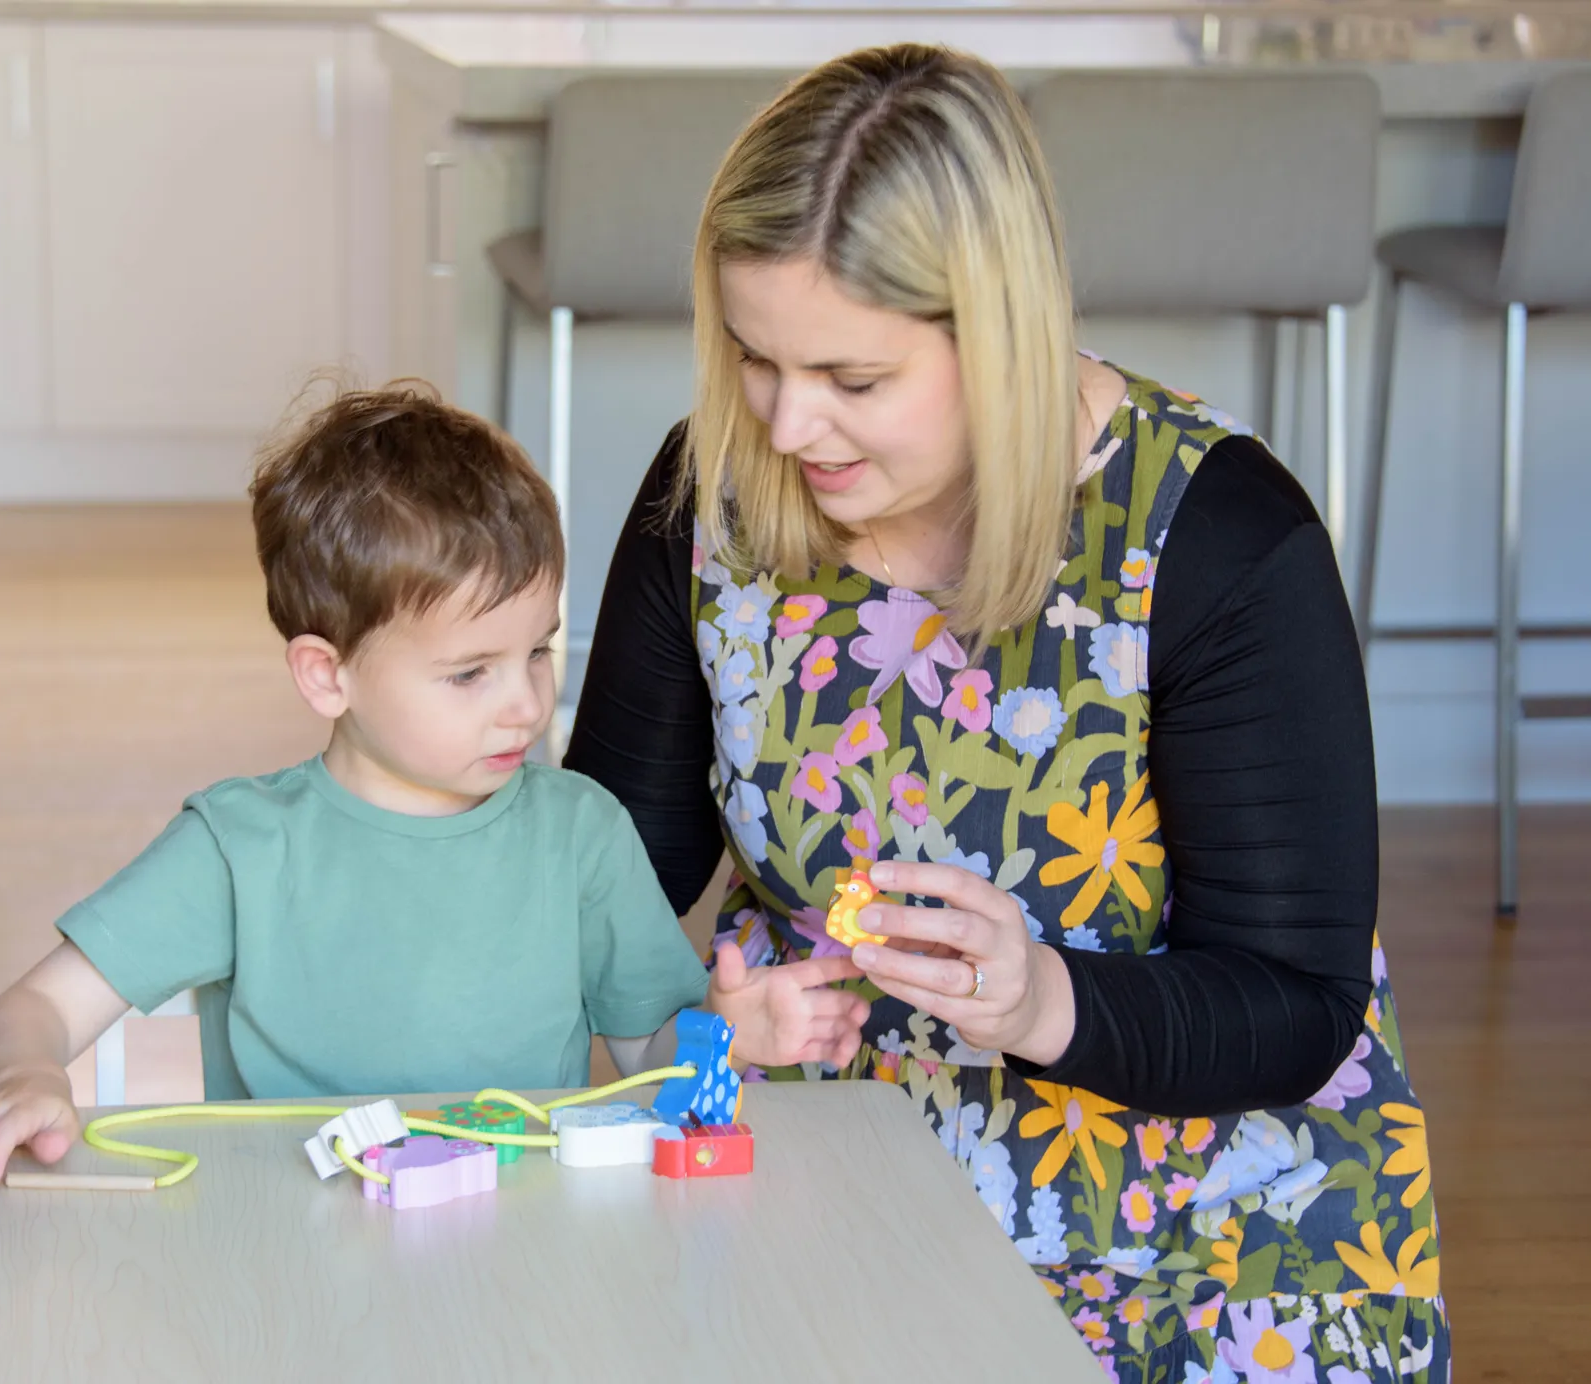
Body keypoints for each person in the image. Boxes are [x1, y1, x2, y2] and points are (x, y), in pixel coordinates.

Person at [565, 44, 1446, 1383]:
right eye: (754, 357)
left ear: (997, 333)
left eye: (853, 379)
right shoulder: (715, 493)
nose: (788, 425)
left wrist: (1043, 1000)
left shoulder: (1212, 536)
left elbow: (1295, 1001)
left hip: (1198, 1243)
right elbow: (604, 871)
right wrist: (689, 1012)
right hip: (830, 1181)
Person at [0, 385, 868, 1188]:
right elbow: (31, 1011)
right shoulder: (239, 847)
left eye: (537, 652)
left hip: (520, 1266)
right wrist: (25, 1081)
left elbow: (645, 1060)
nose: (526, 704)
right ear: (327, 675)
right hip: (290, 1270)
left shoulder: (581, 834)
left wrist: (721, 1036)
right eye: (470, 673)